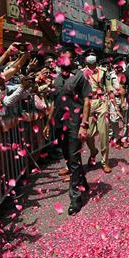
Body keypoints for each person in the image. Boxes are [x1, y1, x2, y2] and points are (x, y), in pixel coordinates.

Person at [43, 47, 92, 215]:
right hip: (59, 125)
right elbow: (54, 103)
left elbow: (86, 101)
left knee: (74, 159)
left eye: (67, 57)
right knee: (70, 158)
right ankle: (83, 183)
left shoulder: (80, 76)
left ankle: (75, 198)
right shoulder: (56, 79)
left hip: (75, 124)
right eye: (61, 58)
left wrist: (84, 124)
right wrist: (47, 123)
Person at [83, 52, 114, 173]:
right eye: (89, 54)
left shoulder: (103, 71)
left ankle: (104, 161)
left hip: (101, 102)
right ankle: (93, 151)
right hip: (89, 103)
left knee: (103, 133)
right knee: (89, 133)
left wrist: (114, 106)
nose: (91, 56)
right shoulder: (82, 72)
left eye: (93, 54)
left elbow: (109, 87)